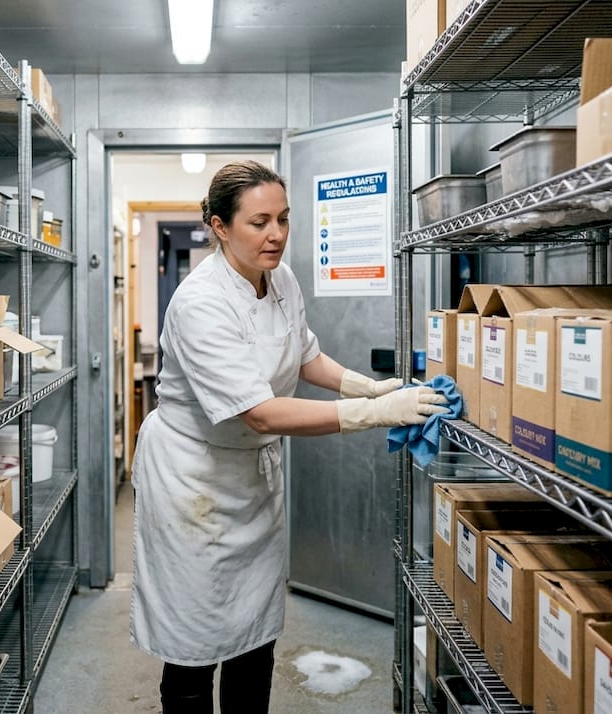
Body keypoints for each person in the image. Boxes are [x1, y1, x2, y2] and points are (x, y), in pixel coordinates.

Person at [130, 160, 449, 713]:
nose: (275, 234)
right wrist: (373, 414)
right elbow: (260, 414)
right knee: (194, 639)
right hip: (193, 482)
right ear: (219, 226)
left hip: (250, 482)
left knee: (254, 632)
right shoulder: (200, 302)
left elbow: (304, 354)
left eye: (282, 219)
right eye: (259, 222)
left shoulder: (280, 278)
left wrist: (368, 387)